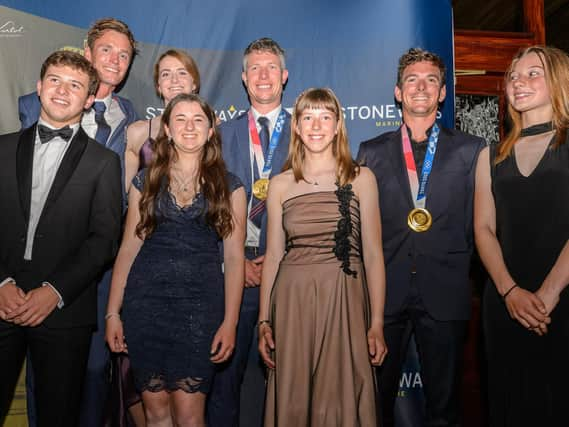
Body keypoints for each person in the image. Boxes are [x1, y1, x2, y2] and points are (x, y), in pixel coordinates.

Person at [17, 17, 140, 427]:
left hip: (100, 261)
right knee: (40, 368)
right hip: (41, 259)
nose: (115, 60)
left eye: (124, 55)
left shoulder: (132, 117)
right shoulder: (33, 105)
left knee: (91, 370)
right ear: (86, 52)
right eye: (106, 49)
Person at [357, 47, 484, 427]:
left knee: (444, 408)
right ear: (398, 92)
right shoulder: (371, 152)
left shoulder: (470, 151)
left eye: (431, 80)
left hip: (445, 291)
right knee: (374, 404)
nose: (421, 87)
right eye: (412, 80)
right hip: (385, 295)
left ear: (443, 92)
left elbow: (474, 224)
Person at [105, 93, 246, 426]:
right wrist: (113, 311)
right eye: (180, 119)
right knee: (155, 414)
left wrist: (231, 321)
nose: (189, 127)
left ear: (211, 131)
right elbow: (128, 248)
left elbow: (235, 259)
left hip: (201, 311)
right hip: (145, 307)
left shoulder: (230, 187)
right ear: (166, 128)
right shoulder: (147, 180)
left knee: (189, 415)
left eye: (198, 120)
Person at [0, 50, 122, 426]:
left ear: (88, 100)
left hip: (64, 312)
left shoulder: (104, 162)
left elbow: (104, 239)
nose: (62, 91)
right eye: (54, 80)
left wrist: (54, 290)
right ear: (38, 87)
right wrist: (1, 281)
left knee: (58, 416)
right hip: (1, 303)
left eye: (75, 85)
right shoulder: (1, 149)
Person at [257, 87, 387, 426]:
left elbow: (373, 255)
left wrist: (376, 322)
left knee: (340, 398)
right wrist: (263, 321)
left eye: (325, 117)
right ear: (296, 126)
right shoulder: (281, 184)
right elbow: (273, 256)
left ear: (338, 124)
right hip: (293, 301)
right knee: (295, 397)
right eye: (308, 117)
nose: (316, 126)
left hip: (344, 300)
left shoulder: (362, 178)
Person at [474, 45, 569, 426]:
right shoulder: (490, 155)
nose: (518, 81)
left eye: (533, 73)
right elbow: (483, 229)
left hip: (561, 301)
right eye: (514, 75)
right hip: (504, 304)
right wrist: (509, 292)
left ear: (559, 81)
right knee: (509, 405)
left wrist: (548, 293)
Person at [208, 37, 291, 427]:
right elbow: (206, 203)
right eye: (255, 68)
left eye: (271, 67)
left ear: (284, 76)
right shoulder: (220, 134)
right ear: (243, 78)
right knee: (225, 384)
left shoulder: (308, 129)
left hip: (290, 274)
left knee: (286, 384)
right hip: (231, 274)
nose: (263, 75)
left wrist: (279, 261)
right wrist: (236, 261)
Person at [124, 49, 200, 190]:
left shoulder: (214, 128)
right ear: (158, 86)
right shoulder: (137, 131)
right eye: (166, 74)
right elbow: (126, 193)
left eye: (182, 72)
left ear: (194, 83)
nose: (174, 80)